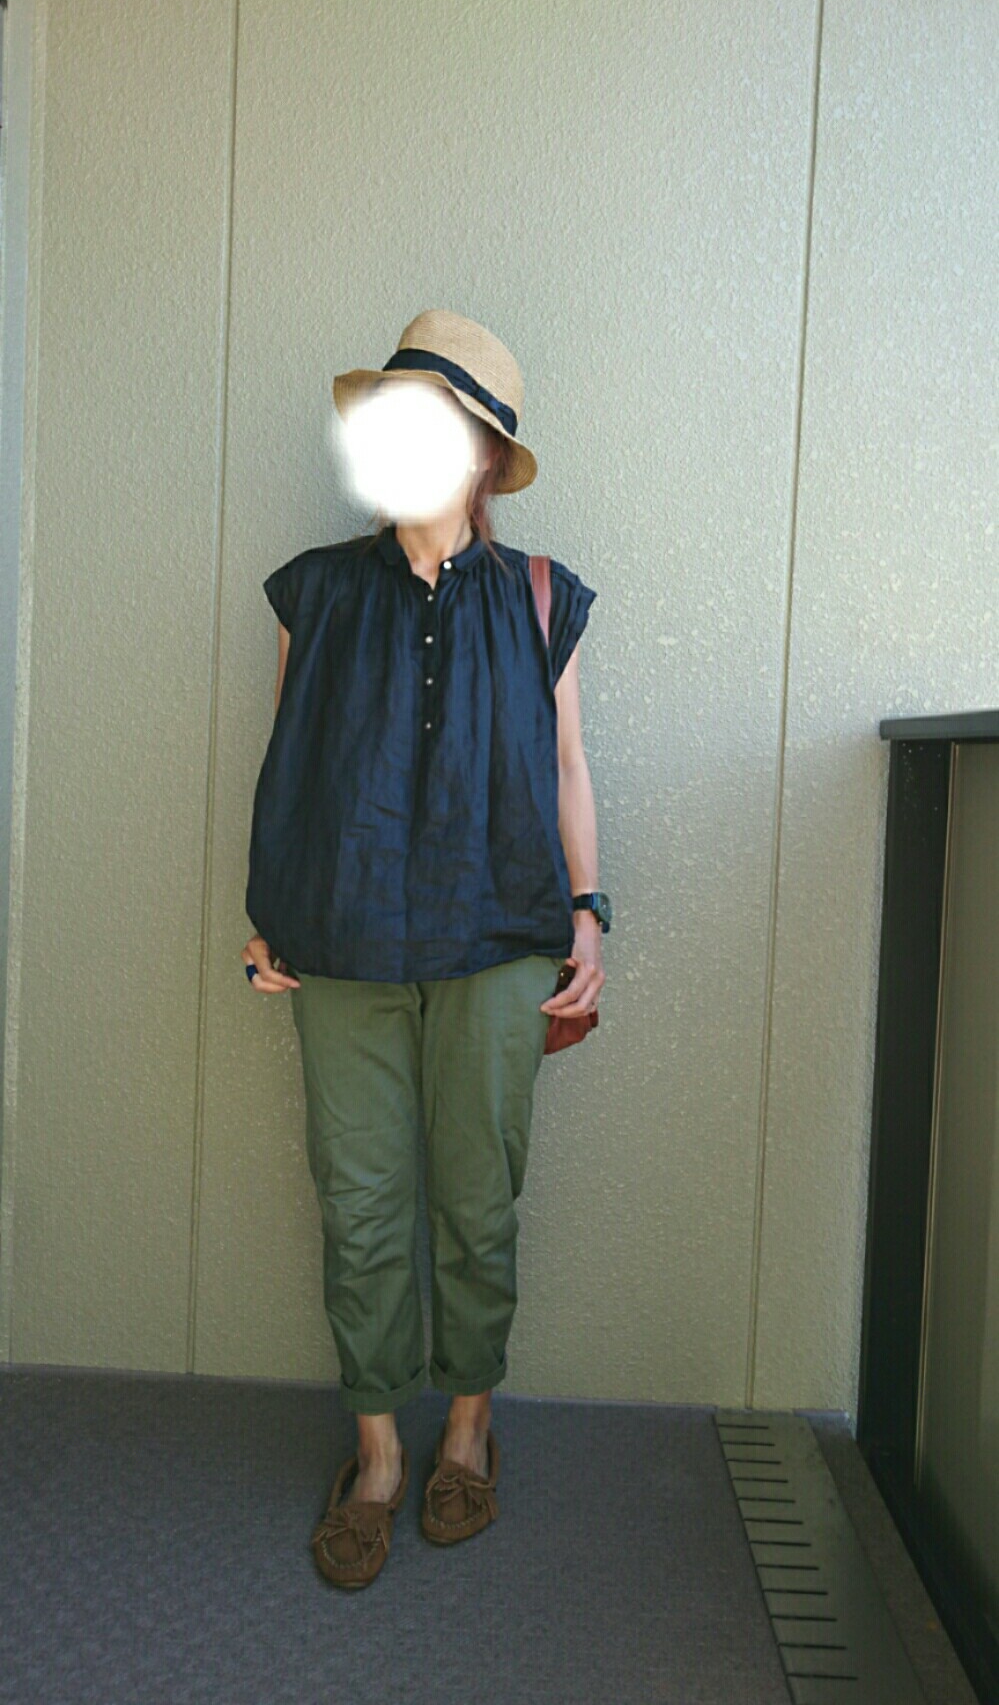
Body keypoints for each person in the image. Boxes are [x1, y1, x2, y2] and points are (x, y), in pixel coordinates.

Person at [242, 310, 610, 1588]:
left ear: (483, 455)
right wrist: (268, 913)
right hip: (340, 942)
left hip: (498, 937)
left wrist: (588, 912)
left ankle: (467, 1432)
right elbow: (292, 765)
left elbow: (567, 765)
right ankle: (379, 1455)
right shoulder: (315, 589)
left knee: (475, 1198)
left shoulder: (540, 597)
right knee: (358, 1206)